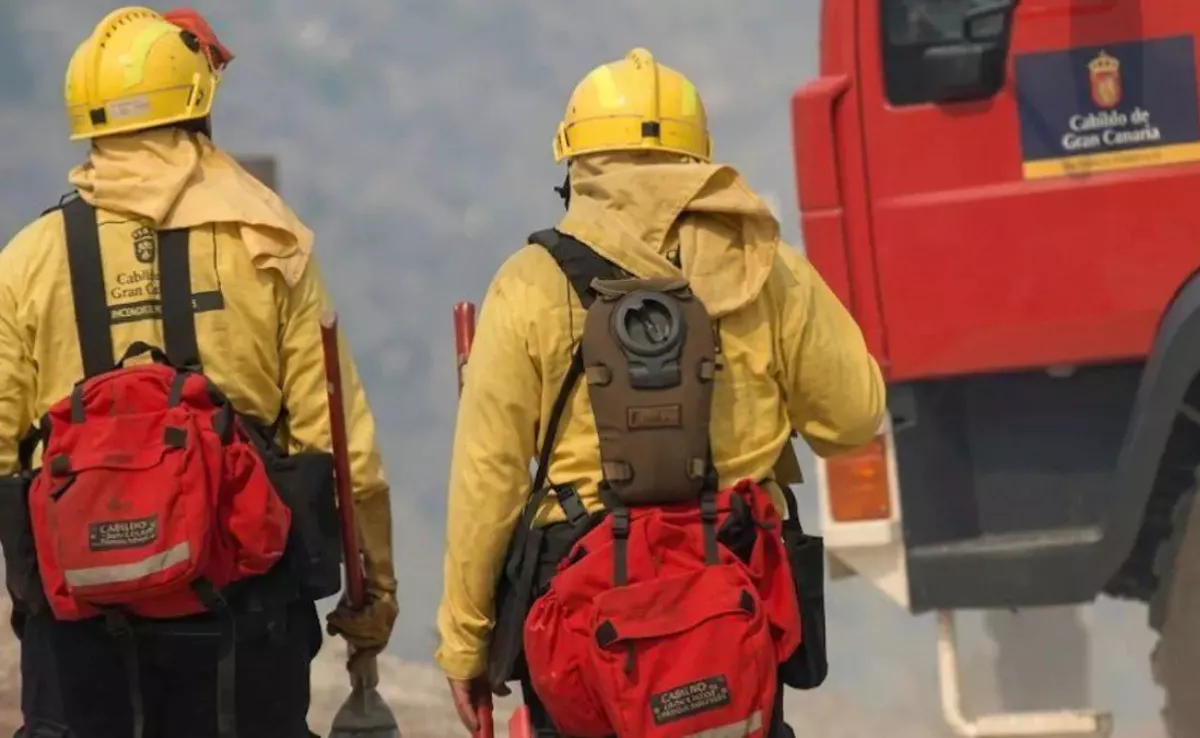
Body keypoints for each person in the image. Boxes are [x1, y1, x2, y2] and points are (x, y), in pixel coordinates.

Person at [436, 47, 886, 736]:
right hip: (733, 593)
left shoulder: (528, 283)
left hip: (583, 617)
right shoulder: (768, 269)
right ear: (697, 163)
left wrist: (467, 646)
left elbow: (487, 482)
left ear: (575, 167)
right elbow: (853, 418)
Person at [0, 7, 396, 737]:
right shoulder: (269, 243)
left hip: (79, 632)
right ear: (197, 104)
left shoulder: (27, 263)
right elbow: (339, 447)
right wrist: (372, 600)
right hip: (243, 631)